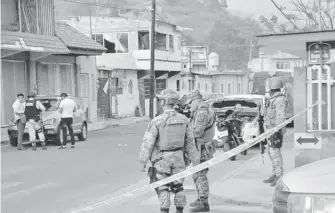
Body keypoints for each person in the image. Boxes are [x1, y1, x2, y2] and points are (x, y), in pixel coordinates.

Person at [139, 89, 199, 213]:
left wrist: (143, 161)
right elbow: (190, 141)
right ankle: (179, 210)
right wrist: (194, 159)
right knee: (178, 187)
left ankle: (164, 210)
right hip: (179, 159)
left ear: (164, 102)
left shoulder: (157, 121)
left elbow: (148, 142)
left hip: (162, 160)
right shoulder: (184, 119)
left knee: (162, 187)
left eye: (161, 99)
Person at [185, 90, 216, 212]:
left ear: (197, 100)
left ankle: (204, 203)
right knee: (197, 175)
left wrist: (185, 132)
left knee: (200, 176)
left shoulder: (202, 113)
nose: (189, 105)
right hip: (200, 147)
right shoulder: (201, 110)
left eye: (190, 102)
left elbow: (197, 132)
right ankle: (200, 198)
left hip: (201, 148)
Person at [261, 76, 288, 187]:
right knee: (270, 152)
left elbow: (281, 116)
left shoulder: (280, 99)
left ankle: (279, 175)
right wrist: (265, 104)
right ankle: (274, 173)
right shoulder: (271, 99)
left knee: (275, 153)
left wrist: (278, 130)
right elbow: (263, 113)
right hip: (269, 130)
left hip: (275, 130)